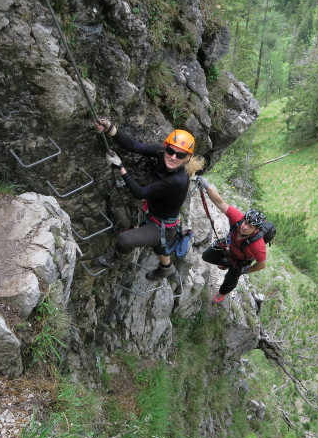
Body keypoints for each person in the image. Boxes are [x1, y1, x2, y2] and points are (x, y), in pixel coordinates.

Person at [93, 118, 203, 281]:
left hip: (161, 228)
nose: (172, 157)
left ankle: (113, 258)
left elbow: (140, 193)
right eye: (170, 151)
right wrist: (111, 130)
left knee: (124, 240)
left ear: (187, 158)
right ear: (165, 148)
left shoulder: (178, 180)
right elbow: (134, 146)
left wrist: (120, 168)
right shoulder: (162, 153)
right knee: (159, 246)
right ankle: (167, 268)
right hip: (159, 218)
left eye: (180, 155)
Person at [196, 177, 267, 304]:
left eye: (250, 226)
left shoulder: (257, 245)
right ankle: (228, 263)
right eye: (245, 222)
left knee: (231, 278)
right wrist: (206, 186)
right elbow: (220, 202)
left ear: (256, 230)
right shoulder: (237, 218)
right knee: (207, 256)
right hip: (229, 246)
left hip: (241, 260)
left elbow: (262, 264)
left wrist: (245, 271)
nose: (244, 227)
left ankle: (222, 293)